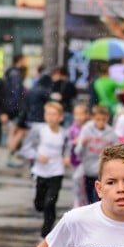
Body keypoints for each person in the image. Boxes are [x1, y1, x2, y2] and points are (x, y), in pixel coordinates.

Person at [20, 101, 72, 237]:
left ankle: (47, 233)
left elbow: (68, 149)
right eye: (48, 114)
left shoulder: (64, 133)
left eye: (54, 114)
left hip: (57, 172)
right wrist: (37, 156)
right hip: (40, 171)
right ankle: (39, 206)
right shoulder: (39, 130)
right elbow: (25, 148)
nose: (51, 117)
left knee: (50, 203)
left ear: (60, 117)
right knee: (40, 204)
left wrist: (67, 158)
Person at [74, 104, 119, 205]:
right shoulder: (86, 129)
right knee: (88, 198)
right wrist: (82, 143)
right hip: (88, 170)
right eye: (98, 119)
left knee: (98, 198)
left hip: (102, 171)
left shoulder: (111, 132)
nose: (101, 122)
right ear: (93, 118)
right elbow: (78, 152)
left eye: (103, 119)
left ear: (107, 118)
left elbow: (117, 151)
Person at [67, 103, 89, 207]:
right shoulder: (72, 129)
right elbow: (68, 143)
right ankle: (78, 201)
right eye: (76, 114)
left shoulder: (89, 128)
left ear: (86, 115)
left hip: (87, 160)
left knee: (84, 183)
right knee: (77, 181)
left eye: (81, 114)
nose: (79, 117)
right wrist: (74, 142)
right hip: (75, 160)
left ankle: (83, 202)